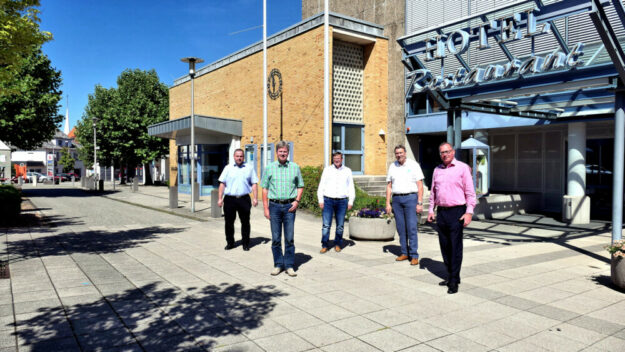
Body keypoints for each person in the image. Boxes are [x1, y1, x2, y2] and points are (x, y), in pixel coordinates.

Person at [427, 142, 477, 294]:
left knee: (455, 247)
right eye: (442, 152)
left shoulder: (462, 168)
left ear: (453, 152)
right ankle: (451, 274)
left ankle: (454, 280)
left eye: (447, 151)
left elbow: (470, 193)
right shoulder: (437, 170)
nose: (445, 154)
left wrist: (469, 213)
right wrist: (431, 210)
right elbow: (433, 193)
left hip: (457, 212)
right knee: (445, 247)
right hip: (442, 212)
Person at [261, 141, 304, 277]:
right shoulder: (269, 168)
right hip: (274, 206)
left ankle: (289, 265)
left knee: (289, 238)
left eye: (285, 151)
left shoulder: (295, 167)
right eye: (280, 151)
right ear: (277, 152)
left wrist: (297, 201)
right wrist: (266, 208)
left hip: (289, 207)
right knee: (275, 238)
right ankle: (278, 264)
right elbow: (265, 188)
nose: (283, 153)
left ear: (288, 152)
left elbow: (300, 186)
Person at [385, 145, 424, 266]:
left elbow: (420, 185)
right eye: (397, 153)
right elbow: (389, 186)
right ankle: (404, 252)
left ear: (405, 153)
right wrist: (387, 203)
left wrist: (420, 202)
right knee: (401, 228)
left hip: (411, 198)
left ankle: (414, 255)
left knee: (411, 228)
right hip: (397, 200)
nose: (399, 155)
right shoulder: (392, 166)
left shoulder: (413, 165)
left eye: (401, 152)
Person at [217, 148, 259, 251]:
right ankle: (230, 243)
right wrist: (219, 198)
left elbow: (254, 183)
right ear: (234, 157)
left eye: (241, 156)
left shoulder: (249, 168)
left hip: (244, 199)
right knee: (229, 223)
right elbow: (222, 184)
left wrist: (255, 198)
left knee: (245, 222)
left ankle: (245, 243)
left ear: (243, 157)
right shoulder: (228, 168)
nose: (239, 158)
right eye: (237, 156)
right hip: (230, 200)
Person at [317, 152, 355, 253]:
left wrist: (351, 201)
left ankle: (338, 244)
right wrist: (320, 199)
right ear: (333, 159)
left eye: (338, 158)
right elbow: (321, 185)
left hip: (342, 201)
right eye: (335, 158)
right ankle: (325, 244)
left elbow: (351, 186)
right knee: (326, 225)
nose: (337, 160)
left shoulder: (347, 171)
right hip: (328, 200)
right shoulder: (327, 170)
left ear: (342, 159)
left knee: (340, 225)